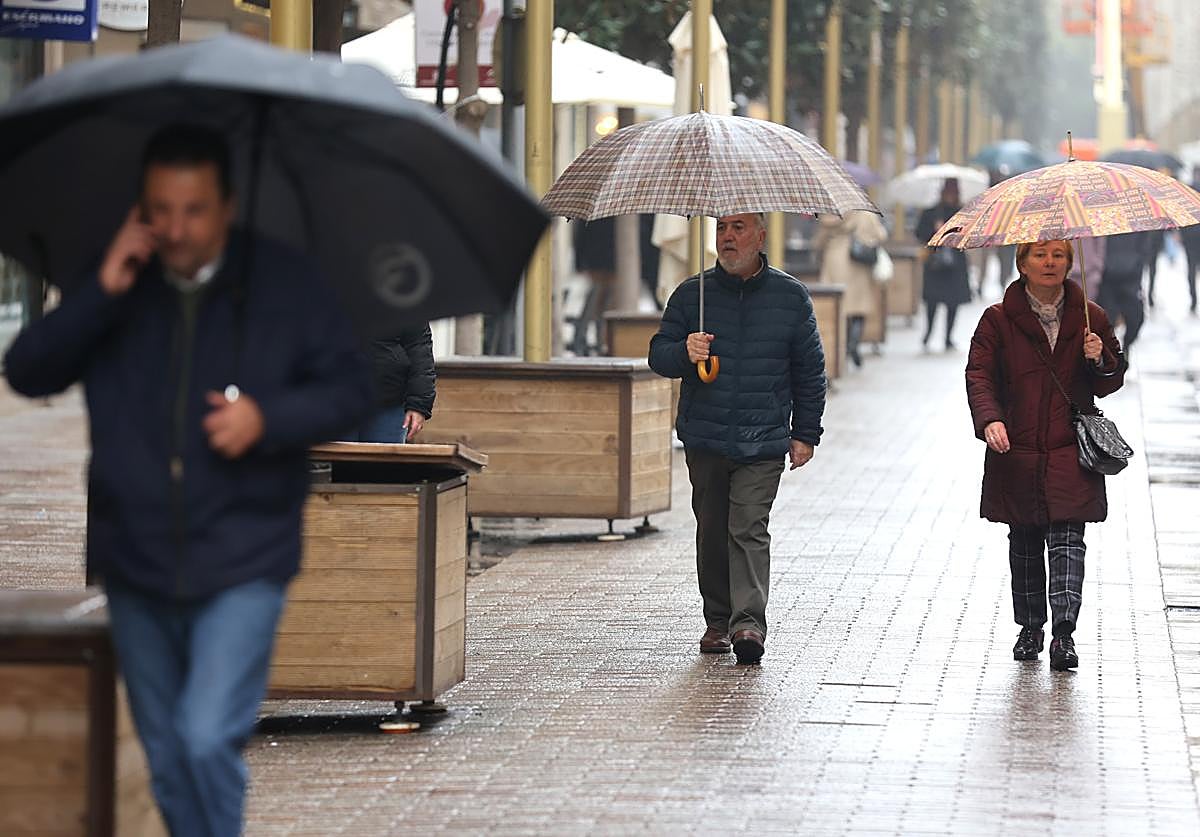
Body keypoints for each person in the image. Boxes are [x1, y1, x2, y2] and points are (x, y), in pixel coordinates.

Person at [3, 124, 372, 836]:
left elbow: (350, 390)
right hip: (134, 557)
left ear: (226, 206)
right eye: (160, 210)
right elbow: (27, 371)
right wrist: (99, 291)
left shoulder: (284, 283)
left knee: (205, 736)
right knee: (169, 758)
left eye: (193, 210)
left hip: (243, 554)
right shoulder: (118, 278)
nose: (175, 229)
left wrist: (266, 417)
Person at [648, 212, 826, 665]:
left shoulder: (790, 297)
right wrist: (684, 351)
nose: (728, 237)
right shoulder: (692, 295)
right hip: (706, 436)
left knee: (748, 527)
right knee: (712, 531)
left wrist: (805, 432)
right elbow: (658, 355)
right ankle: (717, 620)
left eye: (739, 228)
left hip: (763, 438)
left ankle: (748, 623)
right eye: (722, 228)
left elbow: (809, 370)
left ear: (760, 236)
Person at [966, 240, 1125, 672]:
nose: (1049, 262)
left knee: (1069, 540)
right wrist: (990, 420)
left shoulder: (1092, 317)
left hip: (1070, 448)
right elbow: (979, 375)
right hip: (1017, 449)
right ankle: (1031, 627)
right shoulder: (997, 320)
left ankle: (1064, 634)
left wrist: (1101, 358)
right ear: (1022, 263)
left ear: (1070, 263)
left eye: (1058, 255)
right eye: (1039, 254)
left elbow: (1110, 381)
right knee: (1025, 542)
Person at [812, 209, 888, 368]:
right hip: (857, 264)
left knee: (838, 308)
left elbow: (818, 243)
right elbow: (881, 235)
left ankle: (842, 345)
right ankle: (854, 343)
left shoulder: (829, 215)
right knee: (859, 308)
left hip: (834, 261)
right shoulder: (865, 214)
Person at [346, 325, 435, 442]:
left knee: (384, 453)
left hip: (389, 402)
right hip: (335, 400)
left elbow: (419, 349)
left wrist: (419, 405)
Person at [916, 179, 972, 350]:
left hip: (955, 264)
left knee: (953, 302)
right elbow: (919, 233)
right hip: (935, 263)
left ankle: (948, 337)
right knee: (932, 301)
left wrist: (950, 232)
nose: (950, 196)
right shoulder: (931, 212)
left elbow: (969, 237)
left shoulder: (963, 214)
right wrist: (934, 231)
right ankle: (928, 333)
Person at [1097, 231, 1153, 362]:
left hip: (1131, 277)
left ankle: (1126, 346)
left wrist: (1138, 262)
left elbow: (1145, 245)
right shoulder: (1102, 225)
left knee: (1136, 317)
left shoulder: (1135, 224)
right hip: (1107, 277)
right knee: (1107, 320)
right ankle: (1111, 353)